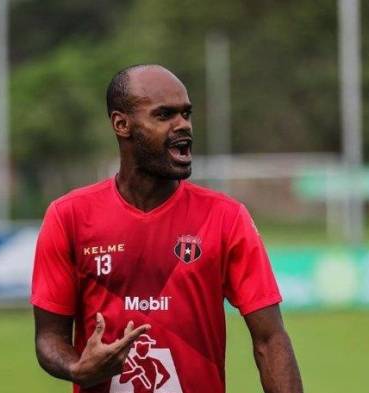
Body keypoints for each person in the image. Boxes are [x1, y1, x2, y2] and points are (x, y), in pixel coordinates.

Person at [31, 64, 303, 393]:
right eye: (164, 115)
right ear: (122, 124)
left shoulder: (225, 217)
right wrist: (77, 367)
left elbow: (270, 339)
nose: (183, 126)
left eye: (186, 114)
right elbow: (49, 338)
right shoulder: (69, 216)